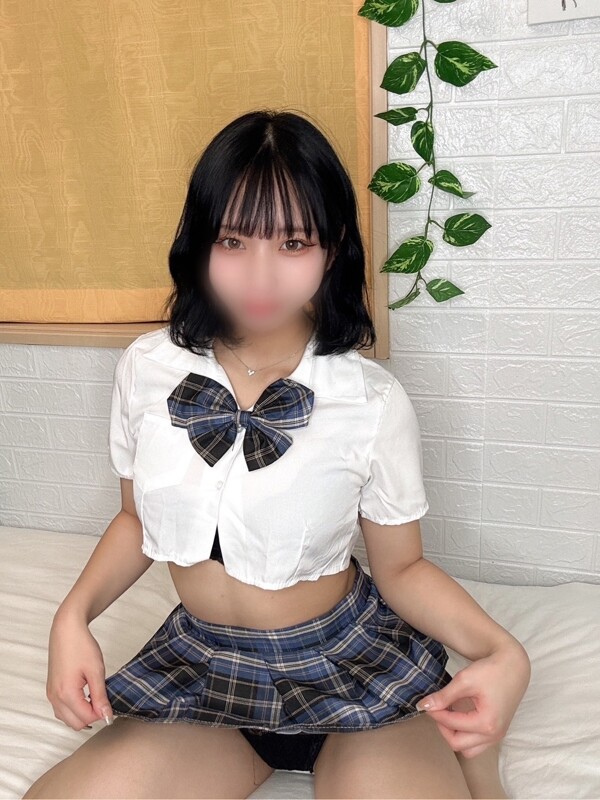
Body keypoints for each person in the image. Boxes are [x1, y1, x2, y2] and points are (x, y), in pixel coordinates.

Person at [23, 109, 529, 800]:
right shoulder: (147, 368)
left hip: (350, 669)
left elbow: (402, 568)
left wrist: (502, 651)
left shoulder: (369, 399)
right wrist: (72, 617)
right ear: (200, 241)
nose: (259, 277)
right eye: (233, 240)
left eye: (293, 243)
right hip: (207, 672)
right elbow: (137, 520)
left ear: (332, 248)